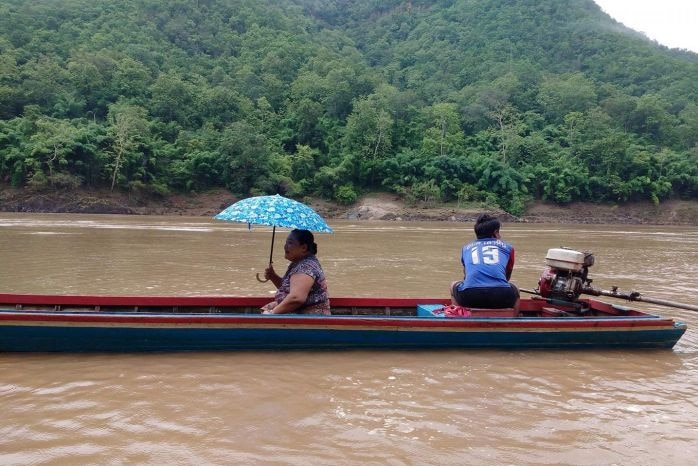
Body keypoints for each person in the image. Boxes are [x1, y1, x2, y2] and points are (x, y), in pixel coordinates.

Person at [450, 213, 519, 309]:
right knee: (515, 287)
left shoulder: (466, 248)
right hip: (501, 296)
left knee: (453, 285)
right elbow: (507, 276)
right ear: (495, 233)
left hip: (470, 297)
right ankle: (513, 319)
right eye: (499, 232)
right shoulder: (508, 248)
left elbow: (466, 277)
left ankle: (457, 317)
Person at [261, 229, 330, 315]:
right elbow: (289, 289)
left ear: (304, 248)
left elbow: (296, 298)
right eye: (286, 242)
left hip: (310, 318)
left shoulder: (306, 267)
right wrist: (273, 277)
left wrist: (272, 313)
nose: (285, 246)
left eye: (290, 243)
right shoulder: (297, 263)